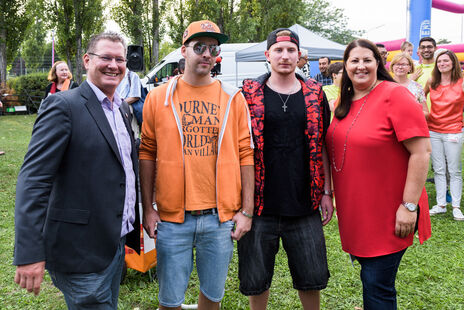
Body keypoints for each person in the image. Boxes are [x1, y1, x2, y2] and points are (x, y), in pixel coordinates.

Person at [13, 32, 140, 309]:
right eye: (105, 57)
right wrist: (29, 253)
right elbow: (33, 180)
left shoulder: (122, 109)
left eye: (120, 59)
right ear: (87, 60)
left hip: (113, 244)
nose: (113, 65)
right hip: (80, 248)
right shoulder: (63, 106)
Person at [139, 20, 254, 310]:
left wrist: (247, 212)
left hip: (219, 218)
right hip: (171, 218)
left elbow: (246, 154)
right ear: (184, 51)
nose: (206, 54)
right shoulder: (157, 97)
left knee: (212, 297)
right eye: (199, 47)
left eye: (213, 49)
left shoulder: (233, 98)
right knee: (170, 299)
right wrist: (147, 209)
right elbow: (147, 153)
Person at [327, 39, 431, 309]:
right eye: (354, 61)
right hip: (357, 211)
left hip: (389, 211)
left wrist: (408, 206)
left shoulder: (394, 95)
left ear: (378, 63)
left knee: (377, 284)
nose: (360, 66)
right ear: (346, 66)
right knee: (370, 278)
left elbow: (421, 152)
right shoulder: (344, 101)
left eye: (367, 60)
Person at [239, 27, 333, 310]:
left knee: (312, 277)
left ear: (300, 56)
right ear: (267, 55)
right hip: (259, 205)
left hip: (305, 202)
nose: (285, 56)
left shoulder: (315, 94)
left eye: (291, 50)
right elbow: (239, 148)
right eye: (278, 50)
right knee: (257, 278)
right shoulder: (248, 93)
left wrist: (327, 191)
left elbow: (324, 144)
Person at [424, 49, 464, 221]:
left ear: (453, 62)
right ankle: (440, 204)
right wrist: (424, 111)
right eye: (439, 61)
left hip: (454, 130)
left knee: (454, 170)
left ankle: (456, 206)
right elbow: (419, 95)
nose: (442, 64)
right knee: (439, 169)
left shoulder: (461, 82)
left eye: (446, 61)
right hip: (433, 130)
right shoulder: (432, 81)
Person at [390, 53, 429, 118]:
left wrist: (414, 111)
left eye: (404, 64)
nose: (400, 67)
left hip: (412, 125)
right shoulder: (385, 86)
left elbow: (426, 113)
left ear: (410, 67)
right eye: (397, 64)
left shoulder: (417, 87)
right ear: (392, 66)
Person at [117, 69, 143, 138]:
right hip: (116, 110)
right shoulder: (114, 76)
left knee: (132, 135)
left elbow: (135, 96)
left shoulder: (132, 76)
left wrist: (118, 103)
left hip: (128, 110)